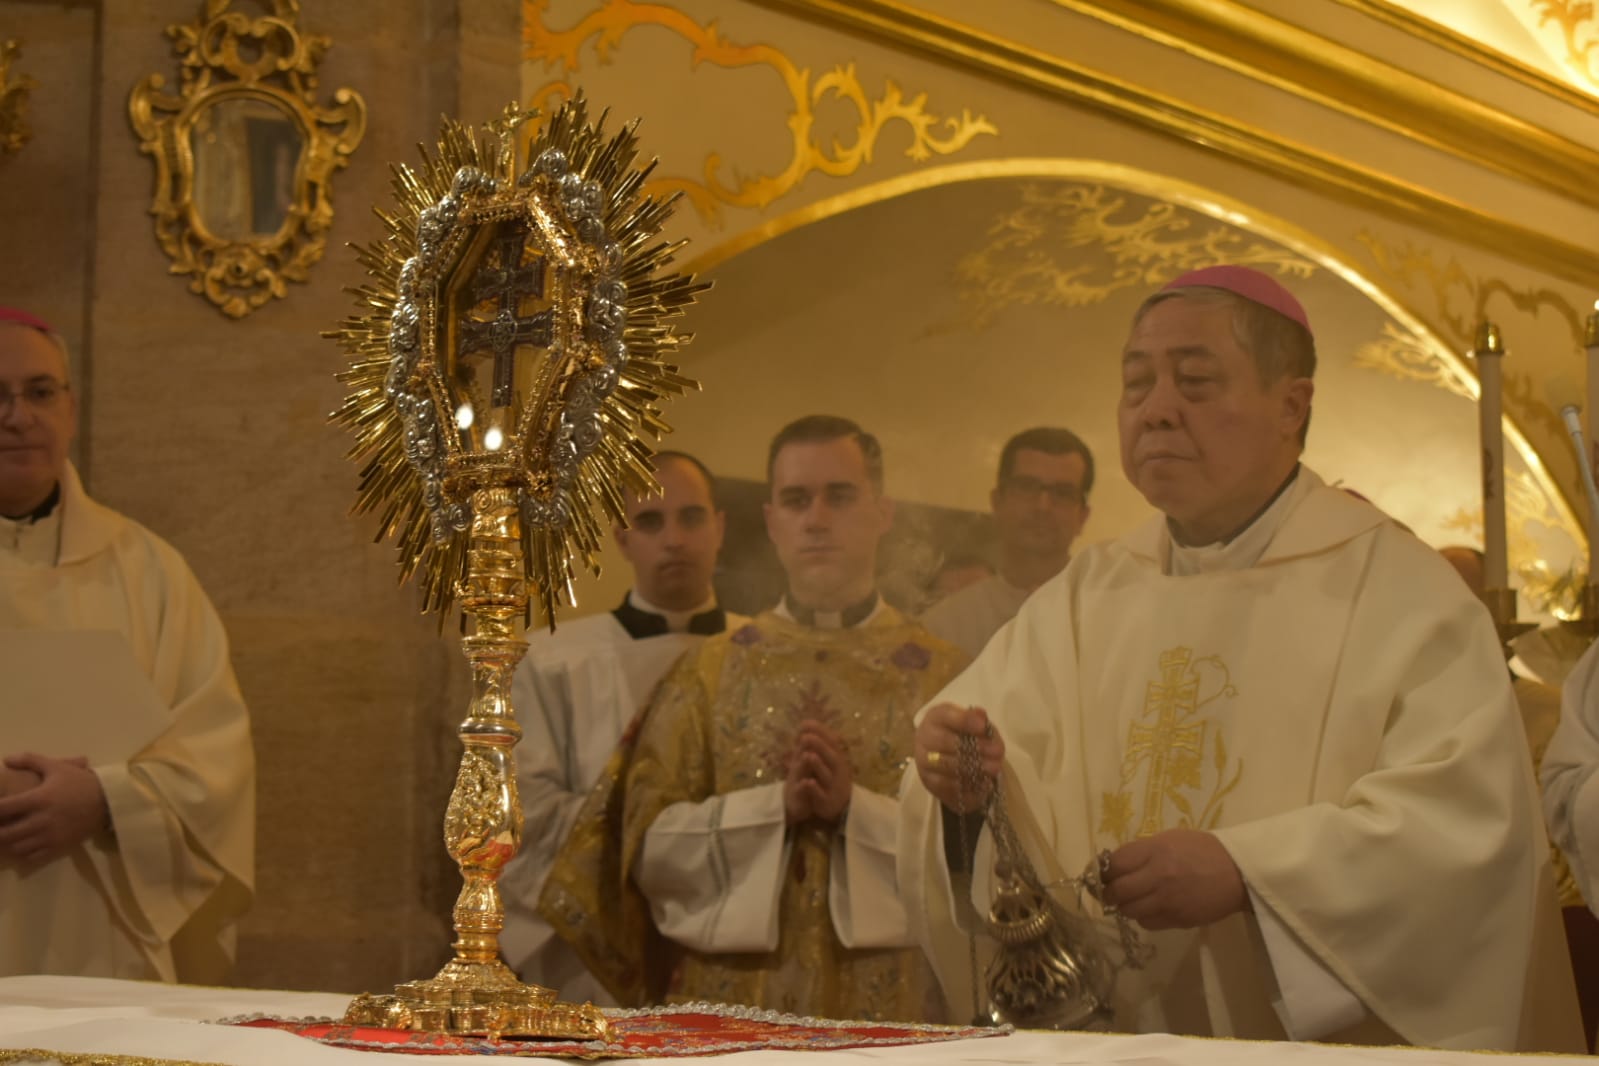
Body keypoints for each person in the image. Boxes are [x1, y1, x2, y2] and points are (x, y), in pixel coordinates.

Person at [900, 267, 1582, 1050]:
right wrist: (957, 780)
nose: (1155, 410)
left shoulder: (1400, 592)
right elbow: (961, 766)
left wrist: (1249, 872)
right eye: (1135, 384)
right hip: (1113, 1035)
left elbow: (1463, 833)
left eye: (1193, 381)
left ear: (1290, 406)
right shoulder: (1088, 590)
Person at [540, 415, 966, 1020]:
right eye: (796, 500)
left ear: (882, 513)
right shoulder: (708, 673)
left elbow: (977, 860)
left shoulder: (945, 676)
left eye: (839, 497)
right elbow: (645, 849)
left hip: (895, 1011)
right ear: (772, 523)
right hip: (728, 1018)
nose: (816, 519)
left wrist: (854, 811)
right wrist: (772, 812)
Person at [0, 307, 254, 982]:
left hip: (101, 923)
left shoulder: (149, 571)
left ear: (71, 409)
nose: (16, 415)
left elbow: (215, 766)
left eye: (39, 391)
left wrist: (104, 802)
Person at [501, 451, 737, 1004]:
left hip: (738, 942)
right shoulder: (551, 660)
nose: (674, 538)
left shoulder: (767, 651)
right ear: (622, 537)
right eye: (650, 522)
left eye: (692, 517)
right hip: (598, 961)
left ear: (720, 527)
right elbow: (525, 810)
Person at [923, 427, 1093, 657]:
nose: (1043, 506)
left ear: (1082, 516)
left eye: (1062, 493)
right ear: (997, 502)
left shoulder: (1111, 616)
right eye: (1027, 487)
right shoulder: (943, 627)